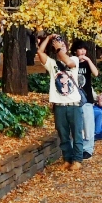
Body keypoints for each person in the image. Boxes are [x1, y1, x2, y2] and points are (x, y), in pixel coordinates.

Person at [37, 33, 85, 169]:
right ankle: (67, 159)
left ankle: (77, 160)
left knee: (77, 134)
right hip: (59, 106)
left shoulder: (74, 59)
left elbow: (68, 62)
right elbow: (40, 52)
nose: (61, 47)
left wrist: (59, 49)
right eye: (58, 46)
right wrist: (48, 38)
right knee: (63, 134)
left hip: (74, 105)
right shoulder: (52, 64)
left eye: (63, 46)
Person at [74, 42, 100, 158]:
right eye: (80, 49)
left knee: (88, 124)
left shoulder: (87, 63)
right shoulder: (72, 62)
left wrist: (88, 60)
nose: (83, 51)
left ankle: (88, 149)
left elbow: (96, 73)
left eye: (84, 49)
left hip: (87, 98)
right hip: (75, 98)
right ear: (75, 51)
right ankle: (79, 148)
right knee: (78, 125)